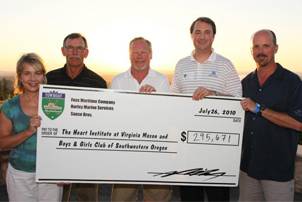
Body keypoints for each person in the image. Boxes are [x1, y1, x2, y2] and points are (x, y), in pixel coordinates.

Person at [171, 17, 242, 201]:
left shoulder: (225, 64)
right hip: (187, 149)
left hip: (216, 149)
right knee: (189, 197)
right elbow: (172, 101)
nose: (202, 36)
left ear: (214, 36)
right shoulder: (181, 65)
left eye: (207, 32)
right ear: (191, 35)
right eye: (198, 32)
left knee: (218, 197)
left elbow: (238, 100)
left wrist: (214, 94)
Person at [239, 29, 302, 201]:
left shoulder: (292, 82)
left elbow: (298, 124)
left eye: (266, 46)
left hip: (278, 172)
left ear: (275, 48)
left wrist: (259, 109)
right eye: (256, 46)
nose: (261, 51)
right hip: (248, 170)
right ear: (251, 51)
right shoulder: (246, 83)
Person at [46, 33, 107, 202]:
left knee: (87, 198)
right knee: (56, 198)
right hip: (56, 150)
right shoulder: (49, 79)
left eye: (79, 48)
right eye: (70, 48)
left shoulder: (98, 82)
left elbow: (103, 119)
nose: (74, 52)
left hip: (85, 152)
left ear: (86, 52)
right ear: (63, 51)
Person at [110, 37, 172, 202]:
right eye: (135, 52)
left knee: (158, 198)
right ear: (129, 55)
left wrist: (154, 100)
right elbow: (113, 116)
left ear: (151, 54)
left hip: (156, 150)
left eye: (143, 52)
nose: (139, 56)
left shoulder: (162, 80)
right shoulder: (117, 81)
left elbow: (167, 116)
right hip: (126, 152)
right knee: (121, 199)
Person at [0, 53, 63, 201]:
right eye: (27, 73)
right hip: (21, 175)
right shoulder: (10, 107)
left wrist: (63, 170)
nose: (33, 79)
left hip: (51, 175)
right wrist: (28, 131)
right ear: (20, 77)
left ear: (44, 76)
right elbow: (2, 143)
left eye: (38, 73)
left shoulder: (59, 102)